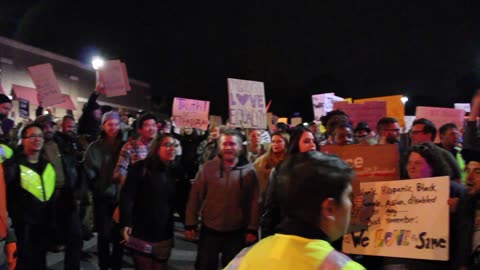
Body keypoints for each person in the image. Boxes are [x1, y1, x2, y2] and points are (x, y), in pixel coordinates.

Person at [225, 151, 365, 270]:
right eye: (348, 196)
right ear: (329, 208)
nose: (351, 204)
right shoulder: (343, 267)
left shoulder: (244, 258)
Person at [383, 142, 467, 269]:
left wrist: (458, 209)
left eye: (418, 163)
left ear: (433, 166)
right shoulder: (396, 192)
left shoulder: (452, 190)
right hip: (400, 261)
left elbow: (465, 229)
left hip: (435, 263)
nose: (411, 167)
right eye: (409, 163)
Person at [185, 129, 259, 270]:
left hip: (236, 232)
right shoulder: (208, 168)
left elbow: (254, 202)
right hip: (209, 229)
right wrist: (190, 223)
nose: (228, 147)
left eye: (232, 144)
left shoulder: (249, 171)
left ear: (239, 147)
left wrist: (252, 228)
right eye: (225, 144)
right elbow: (195, 196)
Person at [120, 134, 185, 270]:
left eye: (174, 145)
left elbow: (181, 201)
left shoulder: (177, 171)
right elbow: (127, 196)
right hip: (141, 230)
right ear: (156, 148)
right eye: (167, 145)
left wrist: (189, 224)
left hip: (164, 232)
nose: (172, 148)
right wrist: (126, 222)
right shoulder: (141, 167)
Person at [34, 114, 84, 269]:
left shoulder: (60, 142)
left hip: (66, 194)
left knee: (76, 237)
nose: (48, 129)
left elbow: (72, 164)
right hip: (47, 198)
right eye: (44, 127)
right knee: (43, 241)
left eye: (50, 126)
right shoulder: (36, 146)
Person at [4, 123, 56, 270]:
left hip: (43, 225)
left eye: (40, 136)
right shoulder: (14, 165)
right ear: (23, 140)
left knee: (40, 261)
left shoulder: (47, 166)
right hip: (22, 227)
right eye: (32, 136)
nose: (37, 139)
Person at [83, 111, 126, 270]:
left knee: (120, 235)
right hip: (103, 197)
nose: (113, 127)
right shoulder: (94, 147)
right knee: (104, 234)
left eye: (116, 124)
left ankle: (116, 265)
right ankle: (104, 264)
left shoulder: (126, 145)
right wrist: (96, 184)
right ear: (103, 125)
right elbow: (88, 171)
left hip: (122, 198)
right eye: (109, 124)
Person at [262, 126, 319, 237]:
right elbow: (271, 208)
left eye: (313, 141)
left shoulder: (322, 170)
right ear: (296, 144)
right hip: (288, 235)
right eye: (307, 141)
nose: (312, 145)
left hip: (315, 237)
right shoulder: (281, 171)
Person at [406, 118, 462, 182]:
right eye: (411, 132)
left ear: (428, 134)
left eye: (415, 132)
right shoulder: (408, 155)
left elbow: (457, 180)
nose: (411, 136)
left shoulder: (445, 155)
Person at [253, 131, 290, 198]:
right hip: (266, 197)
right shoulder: (261, 161)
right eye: (273, 141)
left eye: (279, 141)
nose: (275, 144)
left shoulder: (290, 160)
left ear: (286, 143)